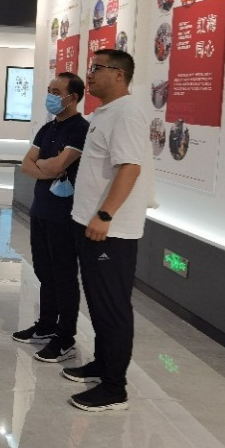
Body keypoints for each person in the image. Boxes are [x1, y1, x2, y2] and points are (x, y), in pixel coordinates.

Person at [62, 49, 153, 412]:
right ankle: (102, 364)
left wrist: (104, 214)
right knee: (99, 303)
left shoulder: (127, 114)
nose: (90, 74)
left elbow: (130, 167)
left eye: (97, 68)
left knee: (112, 306)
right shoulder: (106, 112)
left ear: (118, 74)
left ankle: (115, 388)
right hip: (90, 225)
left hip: (110, 230)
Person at [14, 73, 88, 363]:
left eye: (57, 92)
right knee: (44, 271)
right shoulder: (47, 129)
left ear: (73, 97)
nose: (51, 96)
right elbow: (26, 164)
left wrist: (44, 166)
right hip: (41, 209)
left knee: (64, 276)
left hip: (65, 214)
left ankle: (65, 337)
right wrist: (48, 167)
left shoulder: (80, 129)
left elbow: (58, 166)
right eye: (49, 90)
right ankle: (46, 325)